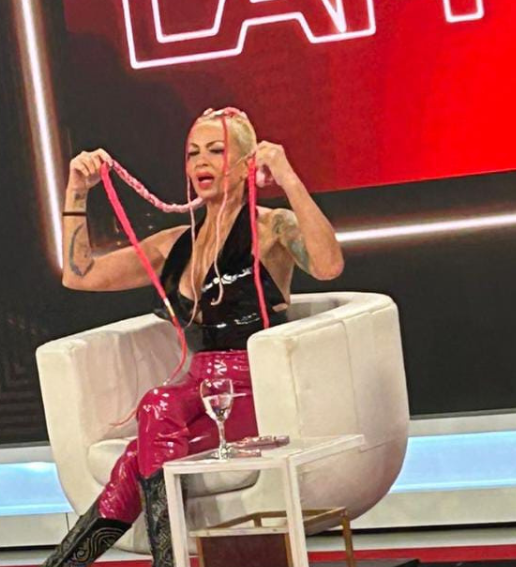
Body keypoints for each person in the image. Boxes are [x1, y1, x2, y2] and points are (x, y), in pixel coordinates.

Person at [44, 107, 344, 567]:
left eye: (216, 150)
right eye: (192, 153)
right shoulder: (174, 244)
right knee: (140, 449)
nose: (201, 162)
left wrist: (286, 177)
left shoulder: (270, 228)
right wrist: (76, 191)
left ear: (246, 163)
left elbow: (328, 265)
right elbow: (79, 275)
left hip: (254, 388)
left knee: (153, 414)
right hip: (199, 389)